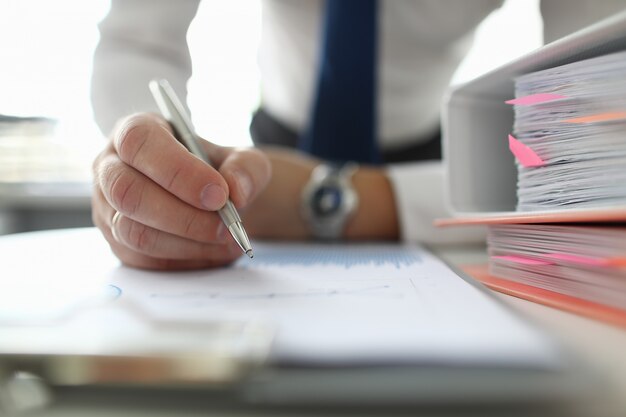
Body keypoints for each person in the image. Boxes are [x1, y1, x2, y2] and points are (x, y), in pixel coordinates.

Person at [90, 0, 625, 270]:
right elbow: (137, 41)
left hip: (429, 169)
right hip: (264, 158)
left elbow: (596, 138)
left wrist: (335, 201)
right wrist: (146, 151)